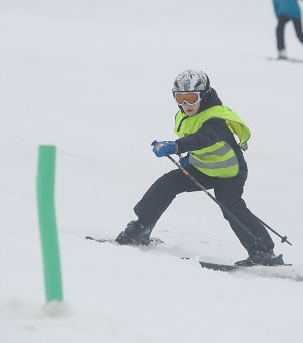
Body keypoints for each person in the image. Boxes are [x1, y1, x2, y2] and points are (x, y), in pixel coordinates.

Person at [115, 69, 285, 267]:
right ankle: (141, 226)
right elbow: (198, 142)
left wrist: (176, 146)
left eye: (191, 98)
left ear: (203, 95)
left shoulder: (216, 118)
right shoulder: (185, 114)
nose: (185, 104)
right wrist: (188, 158)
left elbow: (203, 138)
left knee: (230, 206)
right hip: (202, 169)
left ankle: (263, 251)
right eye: (180, 98)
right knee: (167, 184)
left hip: (229, 173)